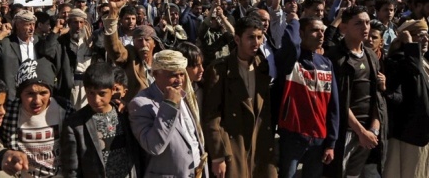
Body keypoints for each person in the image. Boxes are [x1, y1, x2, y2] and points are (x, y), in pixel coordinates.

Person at [202, 16, 277, 178]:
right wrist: (218, 155)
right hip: (233, 145)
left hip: (259, 145)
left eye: (259, 37)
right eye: (250, 37)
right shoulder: (219, 70)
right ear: (237, 39)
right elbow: (212, 116)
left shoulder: (262, 66)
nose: (256, 42)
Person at [324, 6, 388, 178]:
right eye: (358, 23)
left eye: (367, 22)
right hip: (346, 132)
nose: (365, 27)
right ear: (344, 28)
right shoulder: (335, 58)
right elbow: (338, 100)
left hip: (369, 132)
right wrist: (361, 132)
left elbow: (377, 97)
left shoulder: (371, 56)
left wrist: (373, 129)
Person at [275, 15, 340, 178]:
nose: (320, 35)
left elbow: (333, 105)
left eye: (322, 31)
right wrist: (295, 21)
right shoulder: (292, 59)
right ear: (301, 34)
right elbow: (290, 42)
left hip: (319, 139)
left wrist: (331, 143)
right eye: (314, 31)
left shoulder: (326, 63)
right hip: (292, 136)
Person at [128, 50, 208, 178]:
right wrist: (169, 105)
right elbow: (153, 146)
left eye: (182, 74)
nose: (179, 80)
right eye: (173, 75)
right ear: (155, 74)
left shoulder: (185, 95)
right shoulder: (140, 104)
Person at [61, 62, 141, 177]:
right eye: (91, 93)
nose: (96, 99)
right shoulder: (75, 124)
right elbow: (72, 170)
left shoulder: (125, 114)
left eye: (102, 93)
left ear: (113, 90)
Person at [383, 19, 429, 178]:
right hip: (406, 133)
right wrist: (409, 44)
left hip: (422, 131)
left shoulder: (422, 60)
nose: (425, 39)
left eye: (427, 35)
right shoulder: (399, 59)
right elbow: (414, 72)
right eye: (420, 35)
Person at [0, 10, 61, 100]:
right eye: (28, 24)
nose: (32, 28)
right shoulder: (6, 43)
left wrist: (55, 31)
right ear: (18, 25)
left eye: (33, 24)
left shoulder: (39, 41)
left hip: (34, 94)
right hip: (13, 95)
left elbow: (49, 53)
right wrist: (1, 35)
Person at [104, 0, 163, 101]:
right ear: (133, 42)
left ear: (155, 43)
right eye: (139, 40)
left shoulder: (162, 61)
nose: (143, 44)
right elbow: (115, 50)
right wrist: (113, 13)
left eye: (147, 40)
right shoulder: (130, 56)